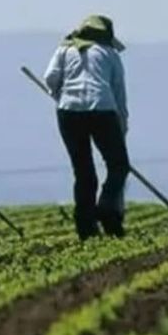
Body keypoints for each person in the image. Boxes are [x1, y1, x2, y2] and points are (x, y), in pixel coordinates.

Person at [44, 14, 130, 240]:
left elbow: (50, 78)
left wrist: (61, 95)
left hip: (69, 113)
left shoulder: (65, 49)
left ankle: (86, 227)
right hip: (102, 110)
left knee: (83, 172)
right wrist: (122, 122)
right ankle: (108, 209)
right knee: (118, 166)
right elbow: (118, 91)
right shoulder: (109, 54)